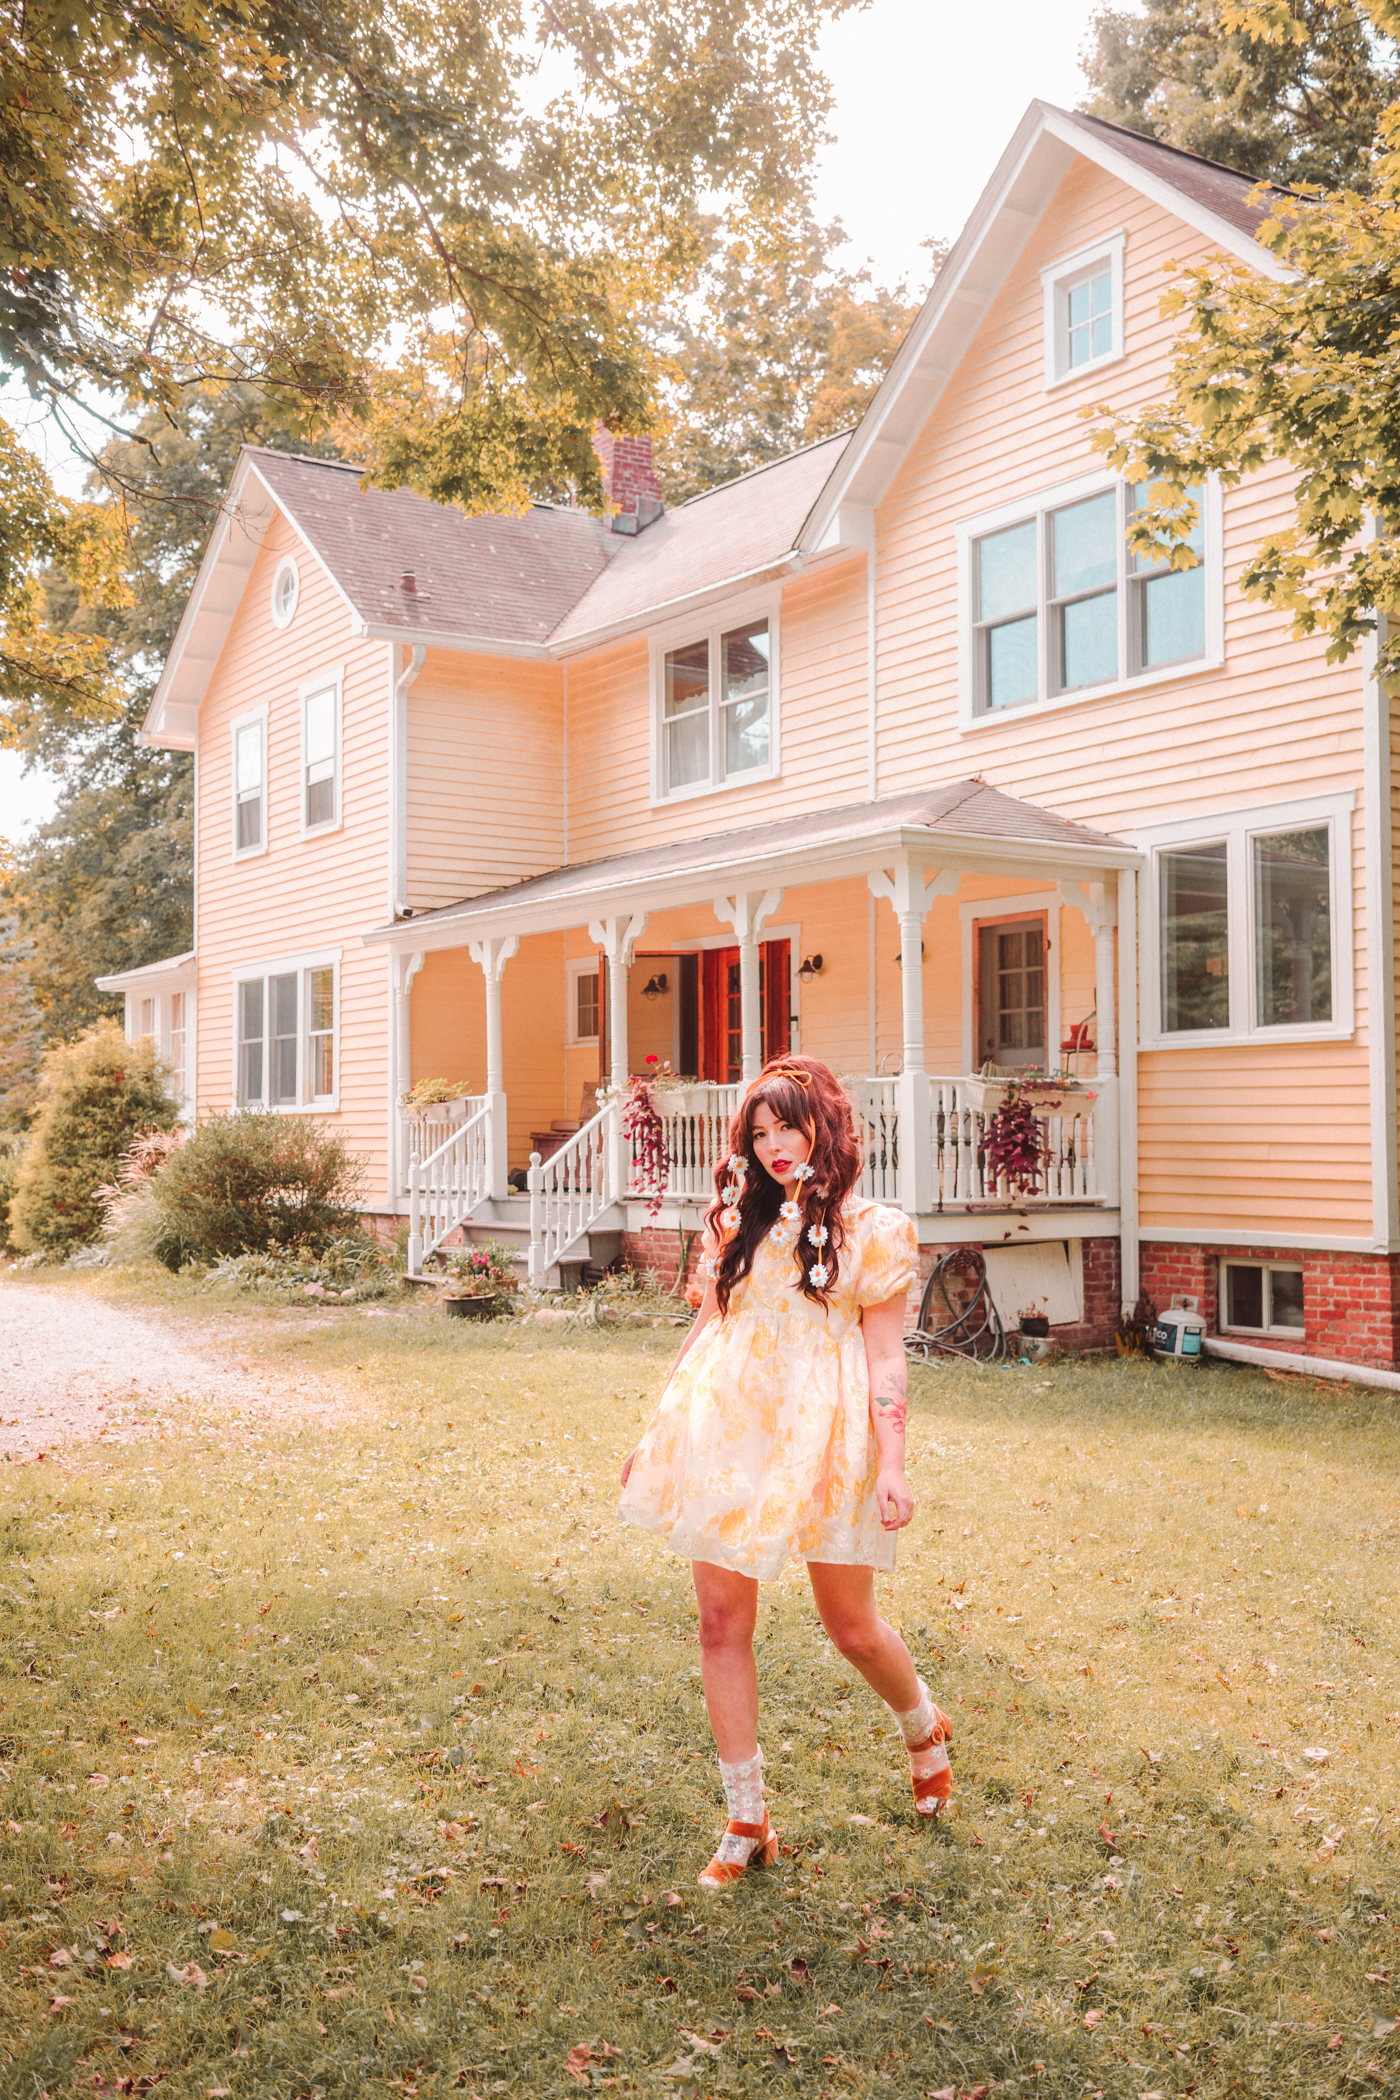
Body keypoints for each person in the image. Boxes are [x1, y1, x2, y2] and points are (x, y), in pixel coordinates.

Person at [618, 1054, 952, 1891]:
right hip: (726, 1433)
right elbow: (704, 1329)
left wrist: (895, 1463)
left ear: (825, 1124)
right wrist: (657, 1429)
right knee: (720, 1624)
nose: (772, 1147)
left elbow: (885, 1358)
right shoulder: (738, 1220)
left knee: (852, 1627)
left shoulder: (877, 1229)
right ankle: (747, 1818)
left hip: (824, 1442)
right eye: (758, 1133)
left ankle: (923, 1724)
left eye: (787, 1127)